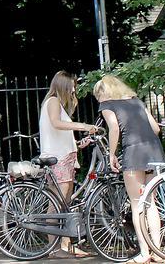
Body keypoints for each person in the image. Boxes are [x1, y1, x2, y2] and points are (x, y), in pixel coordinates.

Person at [95, 75, 165, 264]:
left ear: (103, 93)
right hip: (154, 151)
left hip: (133, 153)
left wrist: (111, 154)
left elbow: (114, 129)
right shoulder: (137, 102)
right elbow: (156, 128)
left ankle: (144, 253)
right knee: (152, 203)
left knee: (137, 204)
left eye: (97, 96)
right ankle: (158, 252)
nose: (97, 100)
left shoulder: (108, 105)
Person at [40, 71, 99, 256]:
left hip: (65, 158)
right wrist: (82, 126)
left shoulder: (57, 104)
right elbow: (56, 124)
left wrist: (79, 144)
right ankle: (54, 248)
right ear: (63, 85)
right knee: (57, 204)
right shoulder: (53, 101)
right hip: (58, 160)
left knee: (64, 205)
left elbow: (59, 134)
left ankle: (66, 246)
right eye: (72, 85)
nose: (74, 89)